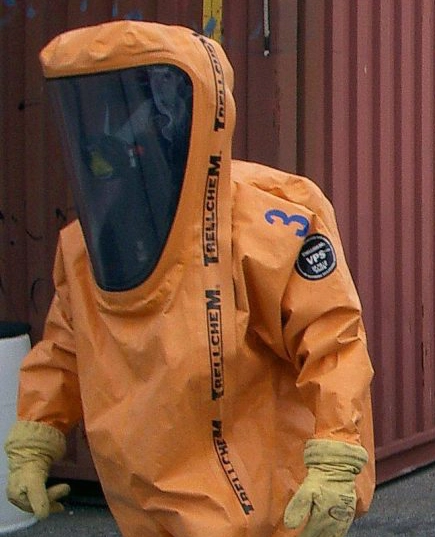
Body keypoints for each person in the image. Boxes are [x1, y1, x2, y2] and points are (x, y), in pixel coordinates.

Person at [4, 21, 375, 537]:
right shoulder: (91, 247)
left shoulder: (267, 226)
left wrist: (336, 456)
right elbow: (67, 348)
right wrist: (36, 436)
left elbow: (333, 342)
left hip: (266, 511)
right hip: (144, 503)